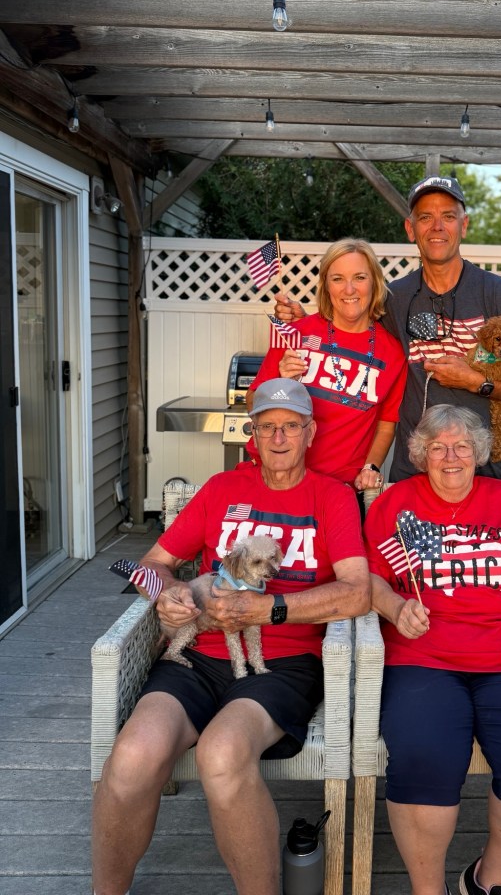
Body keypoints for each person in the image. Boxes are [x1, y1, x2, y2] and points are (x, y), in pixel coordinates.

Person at [92, 378, 371, 895]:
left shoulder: (332, 496)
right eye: (268, 427)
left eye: (291, 426)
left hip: (280, 665)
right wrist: (169, 594)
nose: (280, 438)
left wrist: (269, 608)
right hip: (197, 656)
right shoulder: (221, 489)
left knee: (220, 754)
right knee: (130, 758)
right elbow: (152, 565)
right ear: (252, 434)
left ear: (310, 432)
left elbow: (357, 592)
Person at [364, 405, 501, 895]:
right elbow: (367, 580)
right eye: (438, 447)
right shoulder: (393, 504)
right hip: (423, 658)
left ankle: (487, 883)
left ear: (478, 453)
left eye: (461, 446)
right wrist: (395, 606)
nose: (450, 457)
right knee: (423, 757)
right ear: (421, 455)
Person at [274, 177, 501, 487]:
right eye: (426, 217)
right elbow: (350, 328)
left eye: (448, 216)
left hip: (491, 470)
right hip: (416, 474)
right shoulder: (395, 298)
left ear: (464, 225)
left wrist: (478, 382)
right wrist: (308, 322)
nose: (437, 227)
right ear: (410, 229)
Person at [247, 237, 407, 494]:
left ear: (375, 283)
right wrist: (281, 383)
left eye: (359, 277)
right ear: (326, 286)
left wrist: (371, 467)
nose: (349, 289)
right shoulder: (295, 334)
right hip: (273, 478)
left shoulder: (394, 352)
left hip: (337, 489)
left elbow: (386, 424)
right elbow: (252, 403)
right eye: (338, 279)